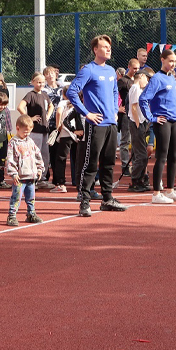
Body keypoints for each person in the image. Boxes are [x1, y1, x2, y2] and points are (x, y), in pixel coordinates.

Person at [67, 35, 130, 216]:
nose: (108, 49)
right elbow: (72, 92)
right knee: (91, 163)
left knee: (109, 163)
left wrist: (115, 113)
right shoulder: (88, 70)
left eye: (109, 47)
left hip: (111, 124)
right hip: (95, 124)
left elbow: (113, 93)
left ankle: (107, 199)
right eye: (104, 47)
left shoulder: (111, 71)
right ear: (95, 50)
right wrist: (86, 113)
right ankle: (85, 201)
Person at [140, 50, 176, 204]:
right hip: (163, 122)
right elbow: (143, 99)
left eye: (175, 61)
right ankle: (156, 193)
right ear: (162, 60)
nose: (173, 64)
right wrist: (152, 117)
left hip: (174, 122)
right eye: (170, 61)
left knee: (174, 156)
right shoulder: (156, 79)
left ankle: (170, 190)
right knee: (162, 156)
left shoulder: (172, 79)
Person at [5, 114, 45, 226]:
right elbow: (10, 158)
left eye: (29, 132)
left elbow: (37, 155)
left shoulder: (30, 141)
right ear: (17, 128)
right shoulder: (13, 142)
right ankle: (12, 215)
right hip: (20, 177)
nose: (27, 134)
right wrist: (13, 173)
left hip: (31, 176)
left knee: (31, 197)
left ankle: (31, 213)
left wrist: (40, 168)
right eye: (25, 131)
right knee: (16, 197)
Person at [19, 72, 53, 190]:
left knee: (44, 155)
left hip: (44, 129)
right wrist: (29, 118)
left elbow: (51, 106)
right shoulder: (30, 95)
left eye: (43, 82)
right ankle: (32, 178)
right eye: (38, 82)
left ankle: (42, 178)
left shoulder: (44, 94)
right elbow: (20, 106)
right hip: (35, 130)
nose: (41, 84)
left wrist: (47, 116)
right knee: (34, 153)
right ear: (32, 82)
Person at [127, 70, 151, 192]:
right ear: (140, 76)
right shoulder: (136, 88)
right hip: (137, 124)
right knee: (141, 155)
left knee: (140, 154)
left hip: (139, 123)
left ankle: (139, 179)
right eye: (146, 79)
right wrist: (138, 124)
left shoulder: (135, 88)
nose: (146, 82)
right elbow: (134, 107)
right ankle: (135, 180)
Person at [117, 59, 140, 179]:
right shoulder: (122, 81)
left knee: (135, 140)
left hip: (135, 113)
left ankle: (135, 166)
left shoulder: (136, 81)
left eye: (137, 68)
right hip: (126, 115)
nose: (136, 71)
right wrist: (118, 108)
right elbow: (114, 94)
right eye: (134, 68)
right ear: (129, 67)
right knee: (125, 141)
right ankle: (125, 166)